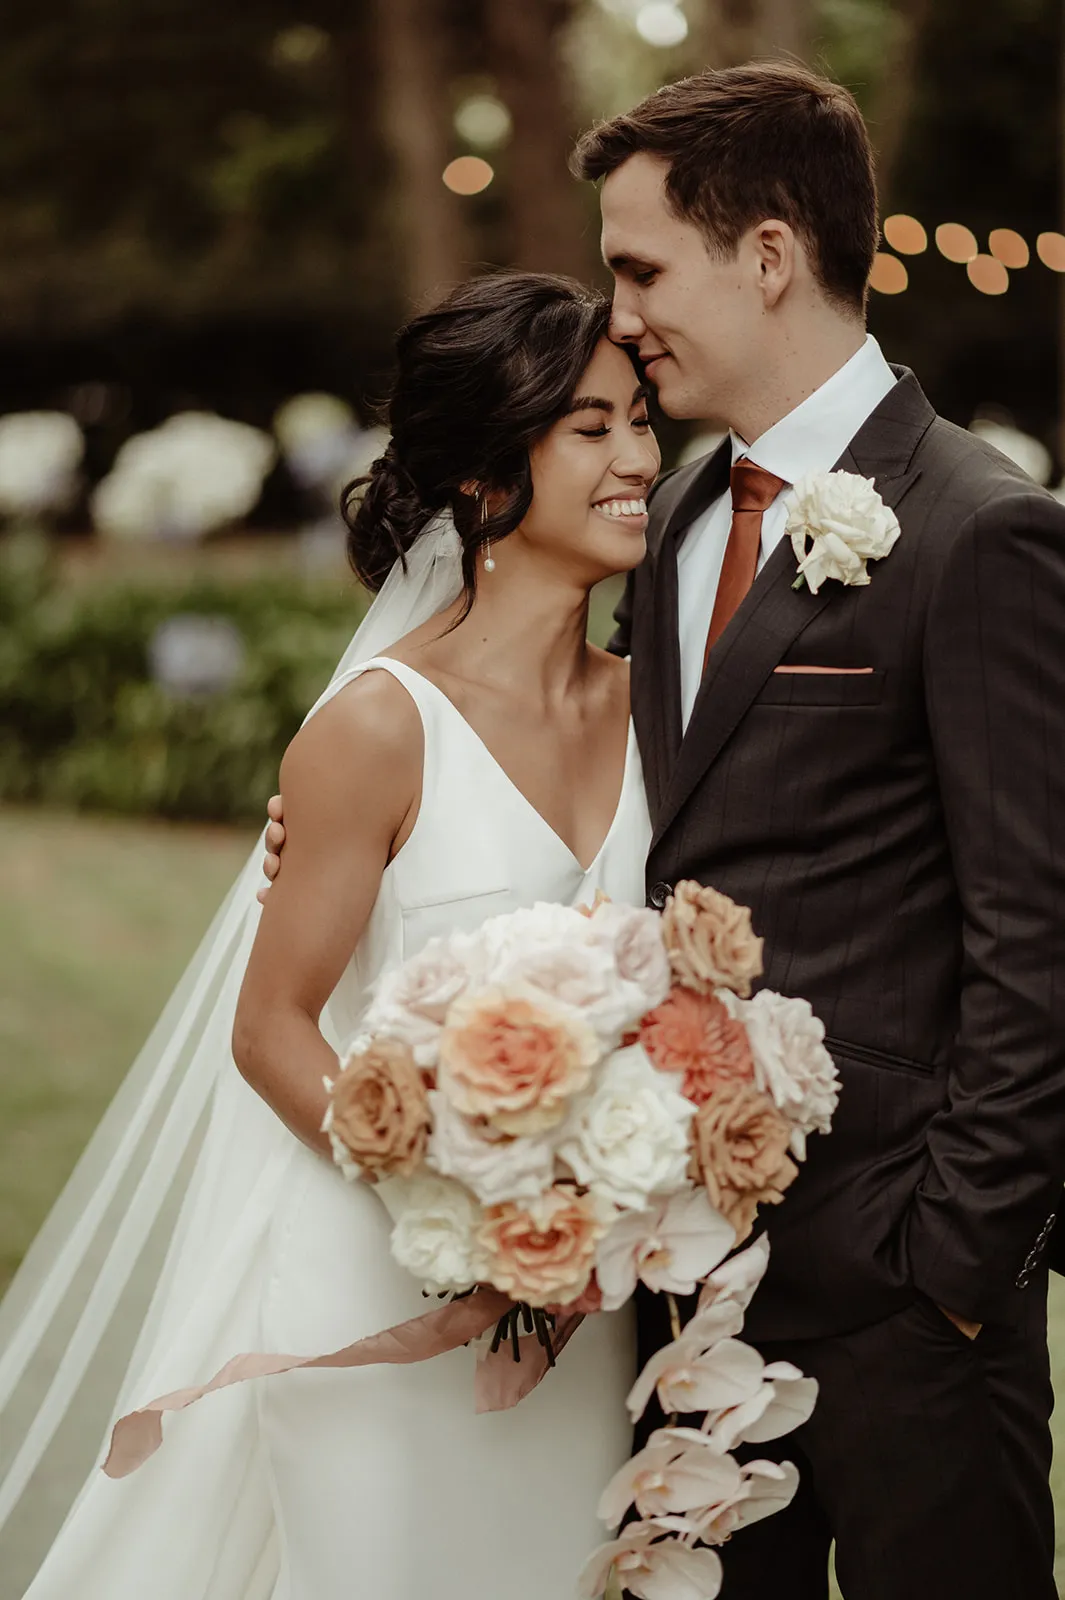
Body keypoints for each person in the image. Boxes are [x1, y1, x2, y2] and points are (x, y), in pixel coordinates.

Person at [258, 60, 1065, 1600]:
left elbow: (1042, 936)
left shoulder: (978, 525)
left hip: (909, 1301)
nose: (620, 312)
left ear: (767, 256)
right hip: (679, 1313)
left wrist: (956, 1270)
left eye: (640, 267)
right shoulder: (680, 515)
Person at [0, 272, 660, 1599]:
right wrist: (465, 1203)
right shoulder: (378, 725)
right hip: (383, 1283)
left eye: (643, 420)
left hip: (591, 1321)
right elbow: (272, 1027)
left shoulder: (672, 715)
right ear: (484, 476)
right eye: (591, 428)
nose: (640, 456)